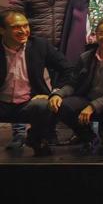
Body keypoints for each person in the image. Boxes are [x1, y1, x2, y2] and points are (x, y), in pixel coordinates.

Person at [8, 0, 71, 148]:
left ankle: (47, 132)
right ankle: (18, 135)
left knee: (50, 94)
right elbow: (14, 22)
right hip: (29, 51)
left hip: (55, 51)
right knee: (19, 91)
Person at [49, 18, 103, 154]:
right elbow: (73, 83)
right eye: (102, 33)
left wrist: (93, 106)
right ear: (95, 34)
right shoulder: (85, 57)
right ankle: (88, 136)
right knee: (63, 105)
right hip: (89, 98)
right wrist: (58, 94)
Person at [0, 10, 73, 156]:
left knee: (44, 105)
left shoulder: (40, 45)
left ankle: (36, 139)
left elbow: (68, 70)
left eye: (26, 26)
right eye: (16, 27)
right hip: (2, 103)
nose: (23, 31)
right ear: (2, 30)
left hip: (29, 102)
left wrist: (55, 93)